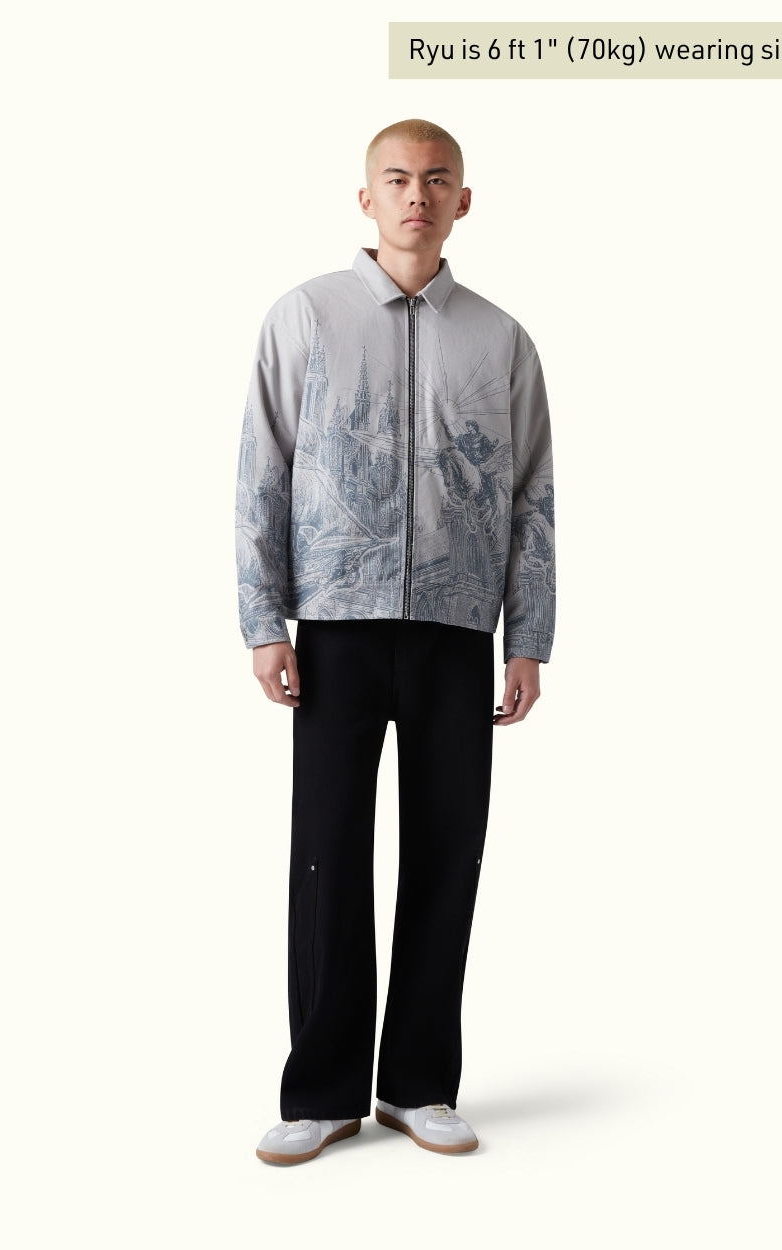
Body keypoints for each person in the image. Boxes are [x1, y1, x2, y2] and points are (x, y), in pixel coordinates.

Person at [236, 119, 555, 1165]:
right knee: (327, 854)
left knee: (446, 852)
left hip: (458, 632)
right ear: (365, 197)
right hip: (334, 625)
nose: (417, 194)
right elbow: (262, 470)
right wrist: (263, 619)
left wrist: (527, 636)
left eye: (437, 179)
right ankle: (321, 1091)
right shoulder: (307, 316)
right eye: (398, 178)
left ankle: (418, 1084)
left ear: (464, 200)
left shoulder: (501, 340)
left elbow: (532, 495)